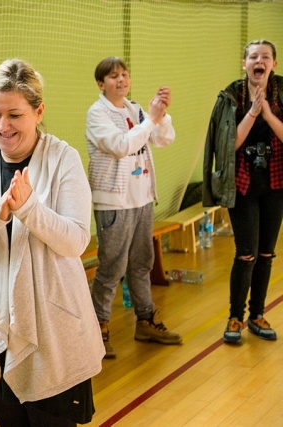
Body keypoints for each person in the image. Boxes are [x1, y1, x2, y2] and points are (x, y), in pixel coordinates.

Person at [0, 59, 104, 427]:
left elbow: (76, 241)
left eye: (15, 115)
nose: (3, 126)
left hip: (53, 330)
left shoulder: (63, 159)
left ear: (39, 111)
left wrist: (29, 208)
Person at [86, 56, 182, 359]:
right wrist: (150, 119)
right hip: (114, 203)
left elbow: (165, 139)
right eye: (114, 76)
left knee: (142, 263)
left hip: (142, 199)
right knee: (111, 267)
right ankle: (97, 329)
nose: (121, 80)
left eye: (125, 74)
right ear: (101, 84)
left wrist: (160, 115)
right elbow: (121, 146)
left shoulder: (135, 109)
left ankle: (146, 321)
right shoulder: (97, 113)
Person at [203, 39, 283, 343]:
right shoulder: (229, 98)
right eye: (253, 57)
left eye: (265, 57)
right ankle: (235, 317)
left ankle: (257, 315)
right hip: (242, 184)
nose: (259, 61)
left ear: (274, 64)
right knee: (246, 254)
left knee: (266, 253)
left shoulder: (281, 93)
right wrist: (252, 112)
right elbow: (229, 145)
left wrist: (268, 114)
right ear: (244, 64)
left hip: (276, 184)